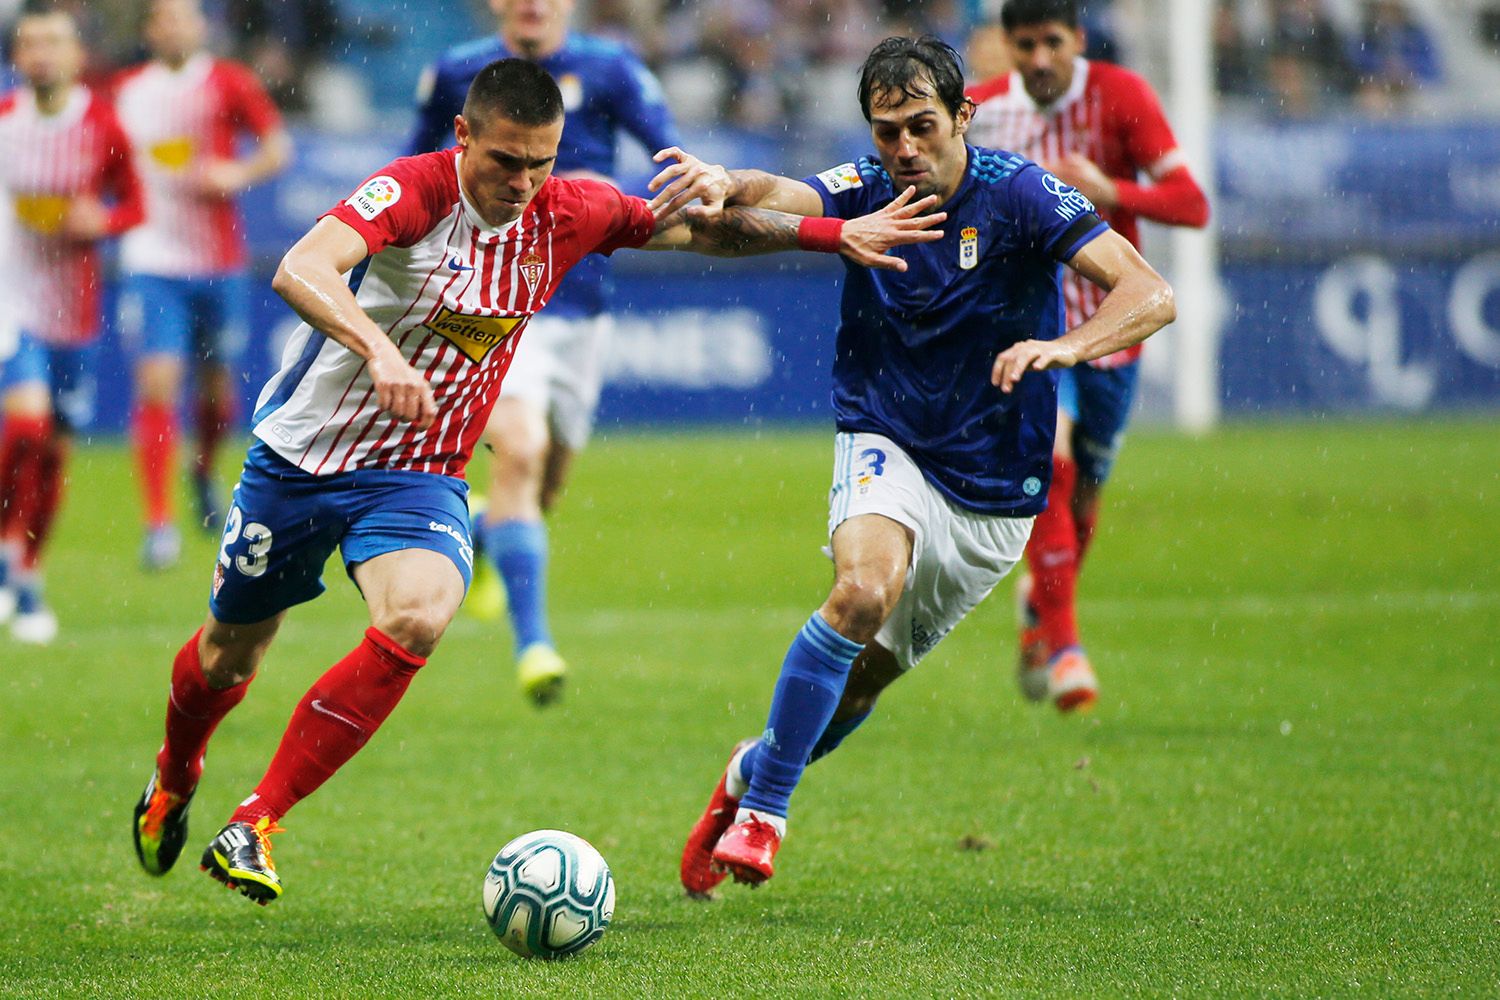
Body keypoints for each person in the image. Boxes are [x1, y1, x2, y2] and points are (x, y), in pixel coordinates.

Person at [129, 56, 944, 904]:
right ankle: (176, 774)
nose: (523, 183)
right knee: (230, 656)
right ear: (463, 136)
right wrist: (378, 352)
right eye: (505, 161)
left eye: (541, 162)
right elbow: (301, 266)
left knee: (417, 615)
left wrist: (827, 235)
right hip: (299, 461)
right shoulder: (412, 191)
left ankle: (255, 821)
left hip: (418, 469)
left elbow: (700, 231)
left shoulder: (571, 209)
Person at [666, 34, 1175, 894]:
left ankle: (749, 774)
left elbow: (1149, 292)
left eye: (921, 126)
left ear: (963, 116)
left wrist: (1066, 346)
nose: (903, 149)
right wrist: (726, 183)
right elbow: (768, 200)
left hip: (994, 495)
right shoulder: (864, 190)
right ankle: (768, 814)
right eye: (885, 130)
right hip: (886, 437)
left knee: (857, 686)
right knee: (861, 591)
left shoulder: (1019, 195)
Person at [409, 0, 680, 706]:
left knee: (545, 483)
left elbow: (669, 154)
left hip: (582, 306)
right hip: (496, 301)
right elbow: (413, 166)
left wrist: (620, 200)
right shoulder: (459, 72)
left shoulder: (611, 68)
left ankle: (481, 529)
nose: (533, 5)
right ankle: (534, 645)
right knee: (520, 453)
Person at [966, 0, 1209, 711]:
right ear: (1006, 45)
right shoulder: (979, 111)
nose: (1038, 59)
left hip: (1109, 327)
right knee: (1054, 465)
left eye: (1051, 43)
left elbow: (1191, 204)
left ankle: (1040, 619)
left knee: (1087, 490)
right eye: (1024, 45)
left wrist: (1114, 191)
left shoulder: (1121, 96)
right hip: (1031, 325)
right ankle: (1068, 646)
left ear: (1076, 39)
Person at [113, 0, 292, 570]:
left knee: (216, 393)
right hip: (150, 259)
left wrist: (236, 172)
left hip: (218, 262)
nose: (175, 28)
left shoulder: (227, 82)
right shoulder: (125, 91)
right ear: (149, 31)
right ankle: (158, 523)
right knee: (159, 382)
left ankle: (202, 469)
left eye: (185, 18)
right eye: (164, 19)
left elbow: (276, 147)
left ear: (199, 27)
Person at [0, 8, 144, 644]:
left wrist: (102, 223)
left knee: (54, 447)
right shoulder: (4, 123)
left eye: (53, 42)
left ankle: (29, 572)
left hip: (74, 309)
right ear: (16, 57)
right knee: (26, 423)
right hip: (12, 300)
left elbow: (134, 203)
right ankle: (5, 546)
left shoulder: (101, 125)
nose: (41, 54)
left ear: (76, 54)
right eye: (30, 43)